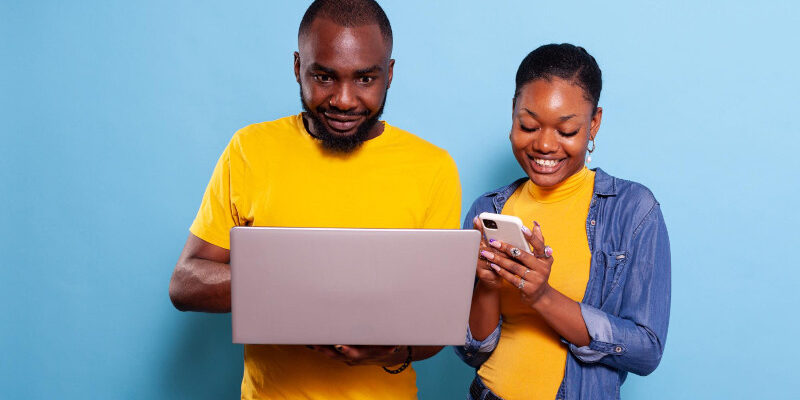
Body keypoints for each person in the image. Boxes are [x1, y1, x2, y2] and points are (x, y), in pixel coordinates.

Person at [168, 1, 461, 398]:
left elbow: (435, 324)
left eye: (365, 79)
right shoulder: (250, 150)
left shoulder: (434, 169)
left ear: (388, 74)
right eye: (324, 76)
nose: (343, 100)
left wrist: (386, 352)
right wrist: (298, 290)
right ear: (296, 68)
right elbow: (185, 284)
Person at [456, 44, 671, 400]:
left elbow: (646, 350)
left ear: (594, 123)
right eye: (528, 125)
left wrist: (542, 296)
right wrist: (488, 286)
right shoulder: (488, 210)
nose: (543, 144)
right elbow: (472, 351)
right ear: (513, 114)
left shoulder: (633, 210)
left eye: (566, 131)